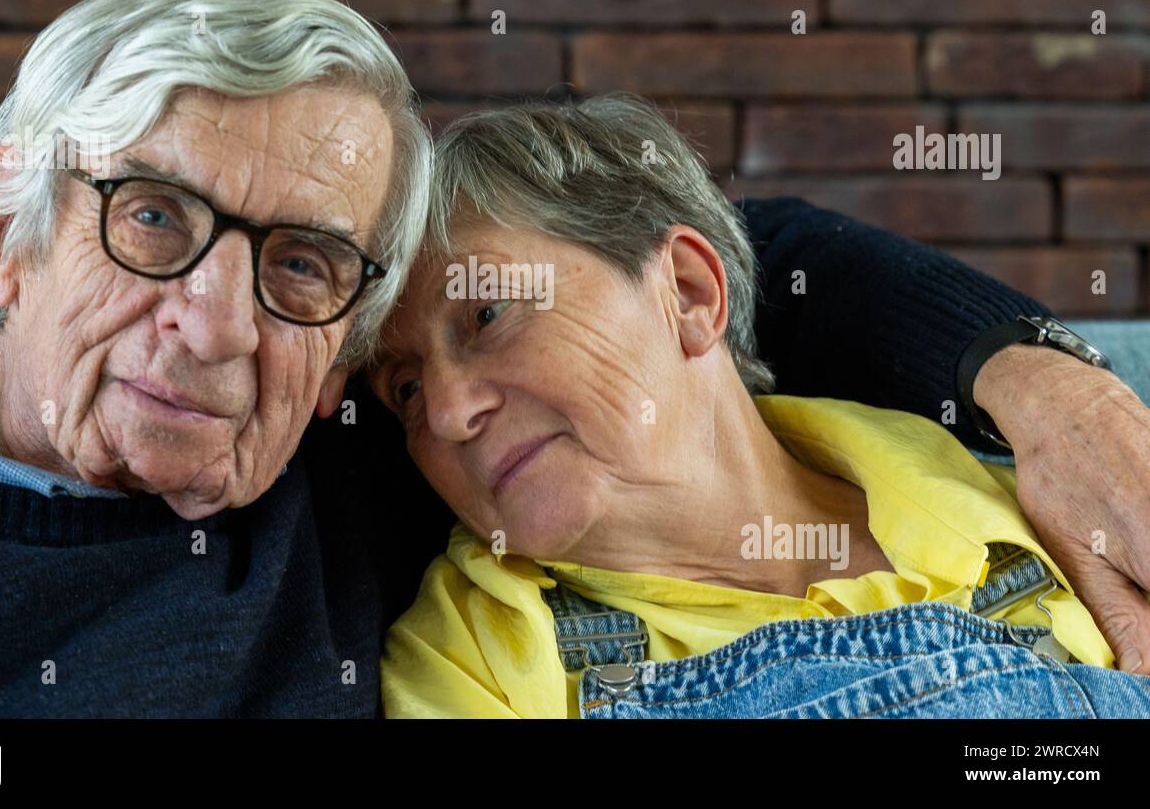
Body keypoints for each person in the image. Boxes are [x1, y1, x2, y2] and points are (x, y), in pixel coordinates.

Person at [0, 0, 1148, 717]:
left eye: (301, 263)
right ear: (1, 229)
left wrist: (1043, 386)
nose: (216, 324)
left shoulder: (370, 462)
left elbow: (738, 254)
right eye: (151, 215)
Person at [373, 94, 1150, 718]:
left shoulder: (1019, 490)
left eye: (486, 314)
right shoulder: (475, 653)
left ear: (686, 291)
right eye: (403, 388)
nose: (444, 412)